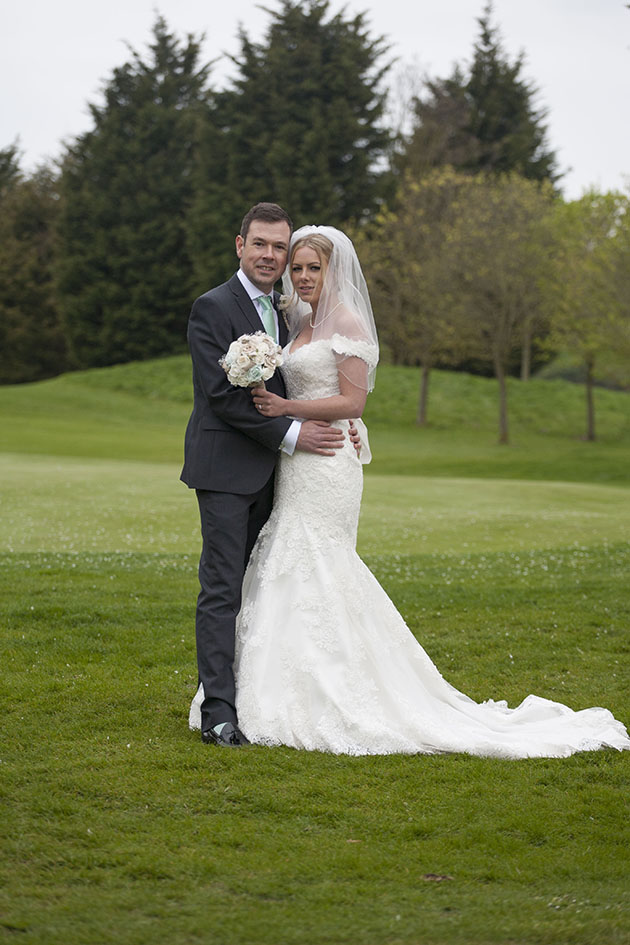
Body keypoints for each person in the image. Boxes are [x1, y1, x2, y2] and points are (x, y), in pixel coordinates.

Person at [190, 225, 630, 758]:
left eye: (311, 266)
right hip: (292, 462)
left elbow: (352, 402)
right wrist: (294, 420)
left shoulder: (346, 322)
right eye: (296, 265)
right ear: (245, 247)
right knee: (283, 563)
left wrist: (290, 412)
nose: (301, 274)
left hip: (324, 462)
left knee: (321, 563)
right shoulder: (293, 318)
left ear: (333, 271)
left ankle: (337, 693)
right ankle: (256, 697)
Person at [181, 204, 362, 748]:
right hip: (229, 471)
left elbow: (321, 382)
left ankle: (278, 697)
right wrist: (294, 434)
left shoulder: (293, 314)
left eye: (279, 248)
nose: (270, 256)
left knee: (276, 585)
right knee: (223, 587)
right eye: (260, 244)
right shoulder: (212, 308)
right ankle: (218, 711)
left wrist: (346, 421)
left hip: (289, 478)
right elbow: (223, 399)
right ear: (240, 245)